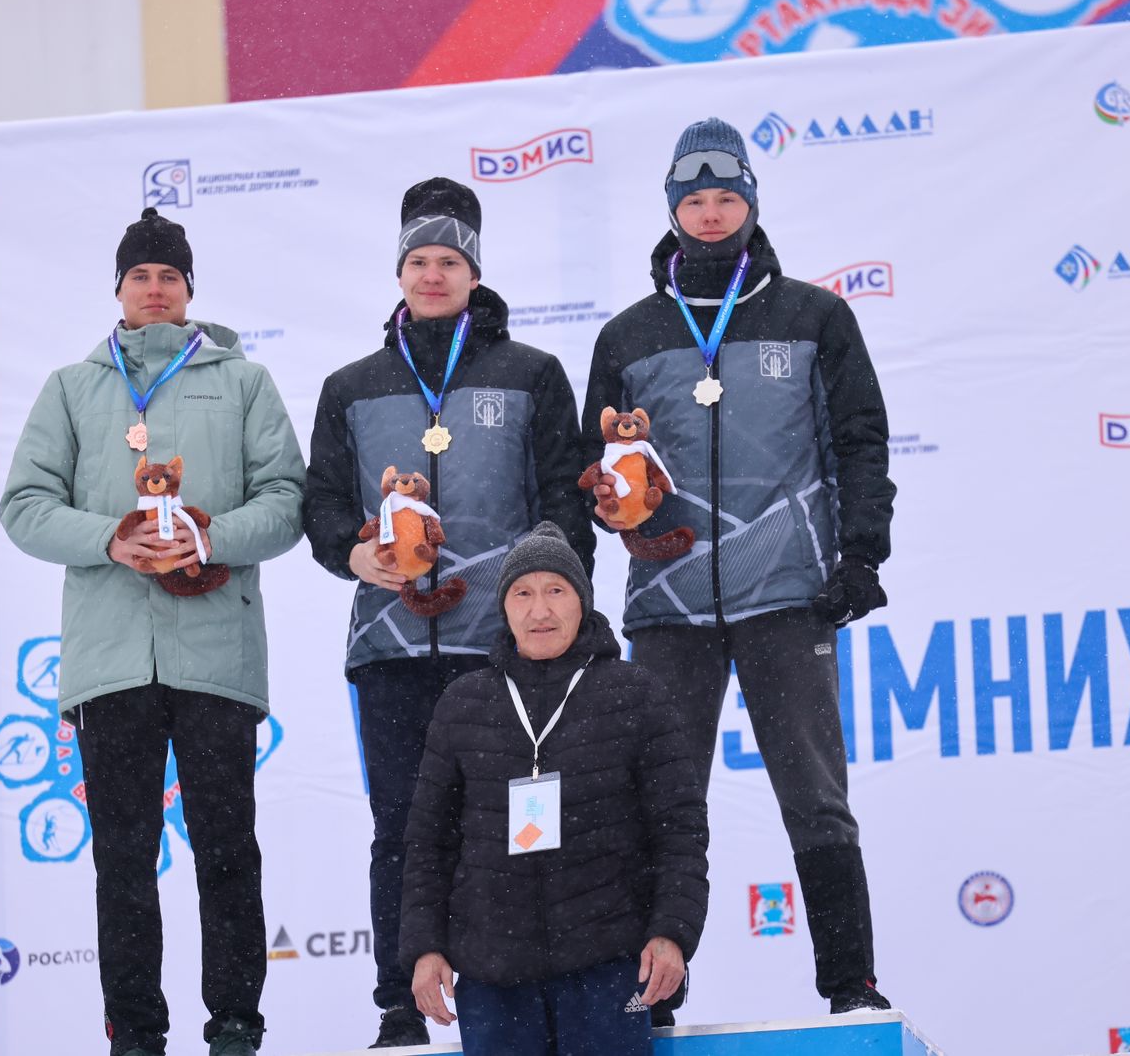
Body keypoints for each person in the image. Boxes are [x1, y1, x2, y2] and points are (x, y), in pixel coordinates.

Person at [581, 118, 897, 1016]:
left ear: (750, 205)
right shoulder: (630, 335)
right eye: (694, 200)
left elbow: (859, 442)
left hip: (788, 597)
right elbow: (596, 471)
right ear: (672, 212)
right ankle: (655, 1000)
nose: (711, 213)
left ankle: (851, 988)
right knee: (663, 813)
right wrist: (605, 517)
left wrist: (860, 553)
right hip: (669, 607)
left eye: (726, 199)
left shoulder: (814, 316)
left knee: (816, 799)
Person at [0, 207, 306, 1056]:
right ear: (120, 291)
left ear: (191, 290)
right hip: (111, 662)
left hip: (216, 656)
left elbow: (286, 501)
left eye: (170, 276)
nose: (157, 290)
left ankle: (236, 1026)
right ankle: (135, 1034)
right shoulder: (71, 386)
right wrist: (109, 538)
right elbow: (23, 506)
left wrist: (209, 538)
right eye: (142, 276)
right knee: (124, 862)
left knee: (226, 852)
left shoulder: (244, 382)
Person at [302, 178, 595, 1047]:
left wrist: (536, 600)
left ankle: (520, 985)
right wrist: (356, 555)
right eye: (419, 261)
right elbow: (319, 509)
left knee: (517, 824)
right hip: (391, 648)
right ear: (399, 273)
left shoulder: (530, 374)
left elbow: (565, 508)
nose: (433, 275)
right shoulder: (350, 386)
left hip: (503, 653)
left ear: (475, 272)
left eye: (450, 261)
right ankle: (400, 1002)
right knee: (400, 825)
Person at [399, 522, 710, 1055]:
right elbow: (429, 843)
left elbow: (679, 829)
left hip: (609, 964)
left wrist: (672, 932)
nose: (539, 611)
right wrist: (426, 948)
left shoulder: (636, 693)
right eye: (523, 593)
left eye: (555, 591)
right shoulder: (463, 702)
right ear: (504, 607)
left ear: (582, 602)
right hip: (493, 975)